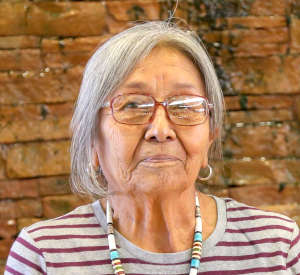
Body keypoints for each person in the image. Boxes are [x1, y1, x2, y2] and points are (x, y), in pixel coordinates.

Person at [5, 21, 300, 275]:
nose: (160, 130)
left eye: (184, 105)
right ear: (93, 139)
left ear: (210, 136)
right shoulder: (45, 255)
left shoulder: (275, 247)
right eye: (133, 105)